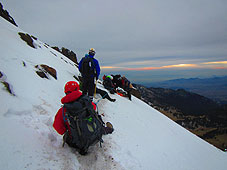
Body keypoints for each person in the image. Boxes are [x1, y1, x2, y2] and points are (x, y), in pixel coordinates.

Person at [53, 81, 114, 155]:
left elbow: (59, 129)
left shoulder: (63, 110)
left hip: (77, 143)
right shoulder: (86, 101)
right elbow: (94, 108)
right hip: (95, 134)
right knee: (96, 117)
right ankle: (108, 129)